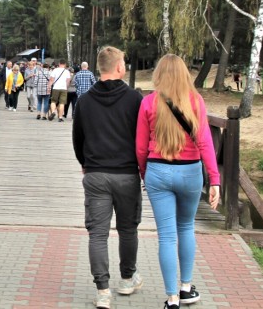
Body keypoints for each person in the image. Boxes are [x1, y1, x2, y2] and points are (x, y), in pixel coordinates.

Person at [135, 54, 221, 309]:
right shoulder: (195, 101)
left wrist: (144, 173)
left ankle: (171, 299)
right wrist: (214, 179)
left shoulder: (149, 103)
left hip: (158, 171)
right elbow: (205, 142)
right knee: (186, 228)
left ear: (159, 74)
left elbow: (140, 147)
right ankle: (186, 287)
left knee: (167, 237)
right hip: (190, 172)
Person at [72, 46, 144, 309]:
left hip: (95, 173)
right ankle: (127, 279)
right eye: (123, 62)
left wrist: (85, 163)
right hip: (126, 173)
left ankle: (103, 291)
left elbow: (77, 138)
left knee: (97, 234)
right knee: (128, 230)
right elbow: (142, 138)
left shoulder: (85, 101)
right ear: (118, 67)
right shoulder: (134, 99)